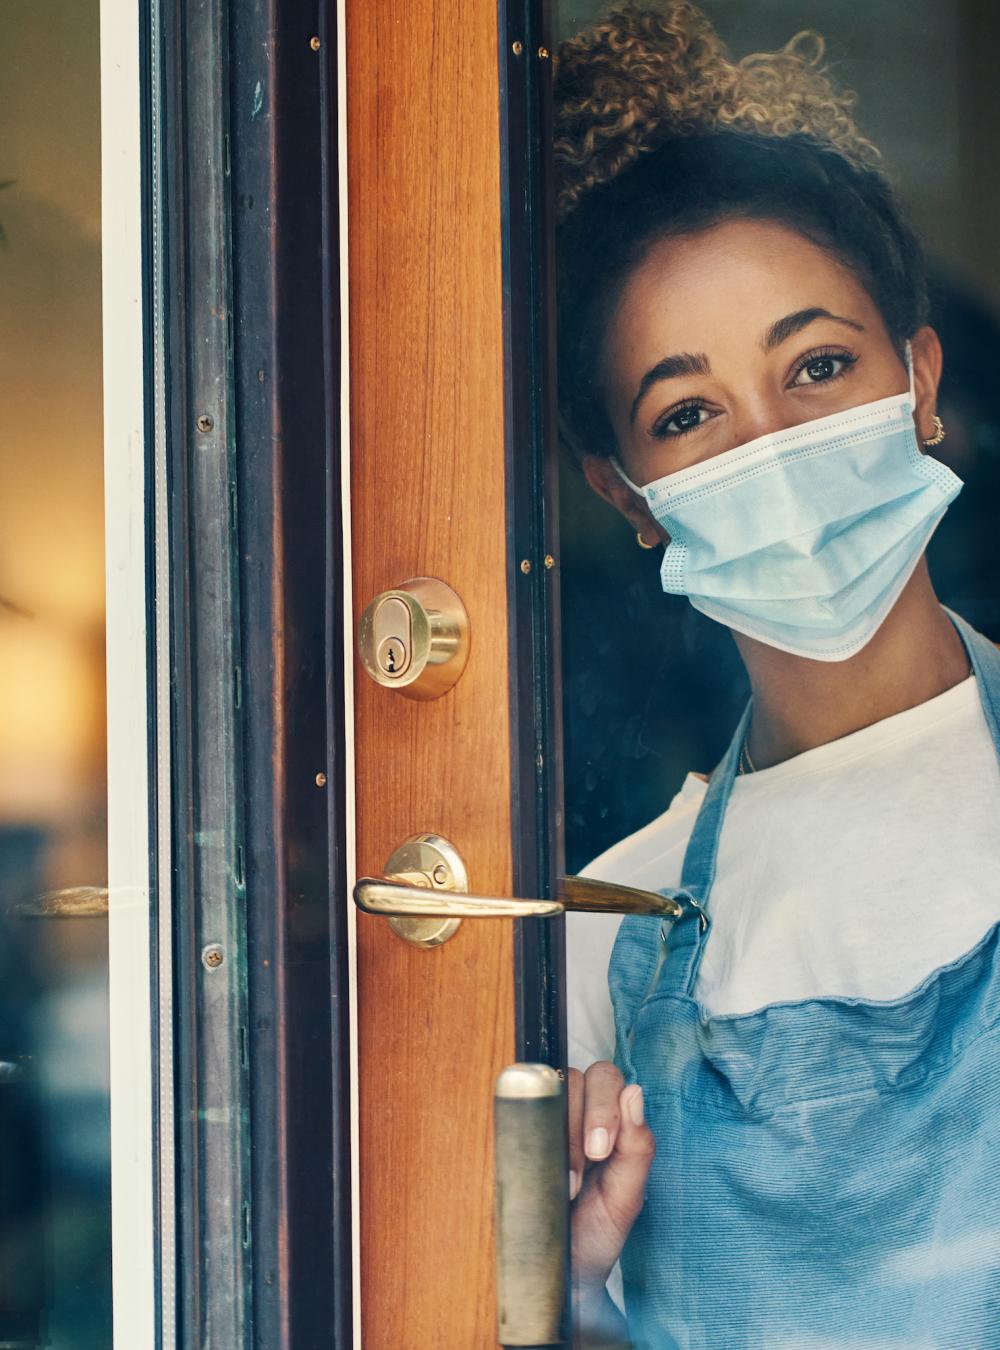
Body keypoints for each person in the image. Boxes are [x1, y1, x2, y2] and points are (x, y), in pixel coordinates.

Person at [556, 4, 1000, 1346]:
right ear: (628, 497)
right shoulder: (597, 939)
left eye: (817, 364)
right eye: (689, 413)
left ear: (920, 382)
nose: (775, 443)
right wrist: (570, 1287)